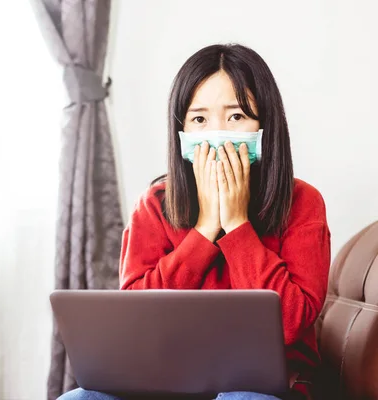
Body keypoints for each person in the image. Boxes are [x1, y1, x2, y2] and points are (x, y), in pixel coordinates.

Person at [59, 44, 330, 400]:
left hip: (265, 387)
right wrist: (204, 230)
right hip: (164, 383)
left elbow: (291, 322)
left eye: (235, 117)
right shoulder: (155, 204)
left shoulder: (302, 202)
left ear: (265, 122)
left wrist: (236, 224)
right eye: (199, 119)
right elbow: (137, 319)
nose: (217, 134)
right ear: (182, 132)